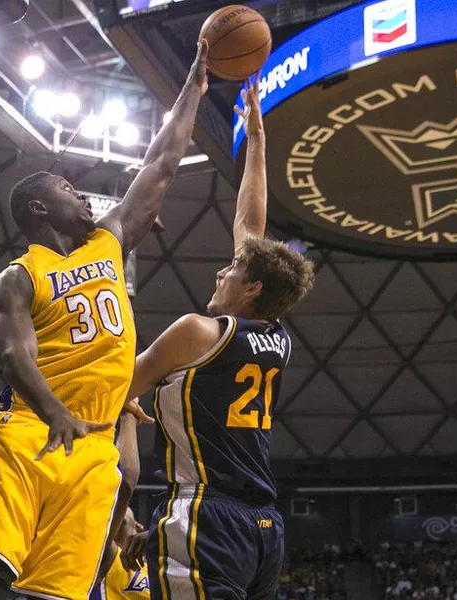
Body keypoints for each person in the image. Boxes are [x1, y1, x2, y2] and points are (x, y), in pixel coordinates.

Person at [0, 40, 209, 600]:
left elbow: (161, 163)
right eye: (69, 189)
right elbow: (15, 356)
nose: (85, 198)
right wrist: (56, 413)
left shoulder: (110, 243)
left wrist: (193, 85)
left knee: (57, 593)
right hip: (30, 433)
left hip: (94, 449)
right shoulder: (17, 277)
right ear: (38, 208)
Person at [120, 75, 315, 599]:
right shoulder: (277, 334)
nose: (218, 273)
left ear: (251, 289)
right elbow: (251, 228)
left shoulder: (199, 331)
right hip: (263, 527)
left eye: (230, 269)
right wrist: (256, 142)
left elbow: (116, 383)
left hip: (205, 513)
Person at [91, 399, 151, 600]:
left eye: (120, 524)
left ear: (138, 529)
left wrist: (161, 536)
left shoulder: (161, 570)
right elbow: (122, 484)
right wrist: (128, 416)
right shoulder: (100, 559)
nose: (111, 528)